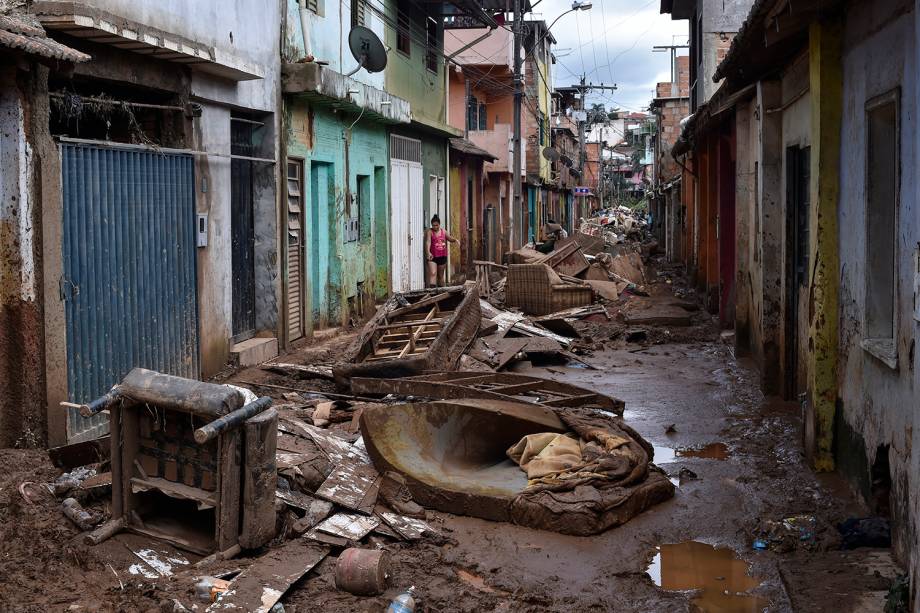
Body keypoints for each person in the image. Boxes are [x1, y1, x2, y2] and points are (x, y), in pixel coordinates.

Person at [424, 214, 458, 287]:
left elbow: (449, 238)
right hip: (432, 256)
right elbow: (428, 242)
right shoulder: (429, 232)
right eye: (433, 225)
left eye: (436, 225)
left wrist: (455, 240)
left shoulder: (444, 231)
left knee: (440, 276)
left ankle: (441, 293)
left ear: (439, 224)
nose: (435, 227)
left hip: (442, 256)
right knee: (433, 273)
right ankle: (432, 293)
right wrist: (428, 252)